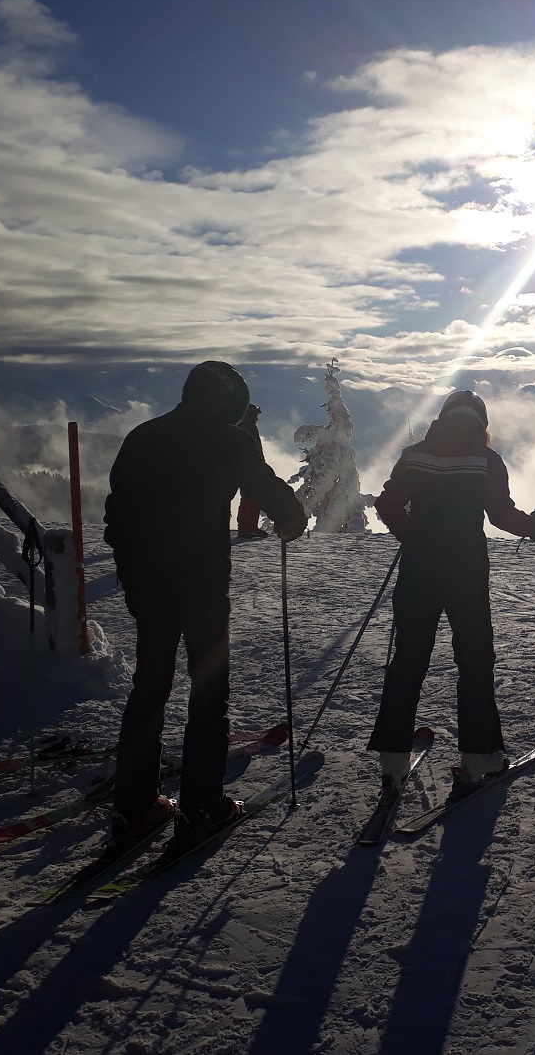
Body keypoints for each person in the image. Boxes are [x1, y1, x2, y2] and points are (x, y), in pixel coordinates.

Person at [104, 361, 306, 847]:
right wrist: (291, 520)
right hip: (201, 588)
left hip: (148, 586)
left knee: (149, 688)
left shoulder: (143, 437)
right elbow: (270, 492)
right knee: (208, 694)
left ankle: (135, 806)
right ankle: (202, 807)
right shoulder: (228, 441)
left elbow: (116, 514)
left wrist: (134, 573)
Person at [369, 391, 535, 793]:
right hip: (466, 574)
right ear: (480, 422)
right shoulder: (486, 460)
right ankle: (479, 758)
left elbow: (387, 503)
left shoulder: (413, 454)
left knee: (408, 661)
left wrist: (411, 536)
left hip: (418, 571)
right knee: (474, 660)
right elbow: (501, 515)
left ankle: (393, 760)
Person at [234, 404, 269, 539]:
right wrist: (260, 464)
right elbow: (254, 449)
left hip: (243, 466)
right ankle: (248, 527)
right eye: (256, 415)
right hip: (250, 467)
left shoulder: (241, 426)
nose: (257, 418)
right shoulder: (249, 428)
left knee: (248, 496)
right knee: (252, 496)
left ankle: (245, 526)